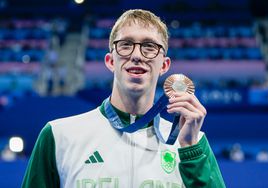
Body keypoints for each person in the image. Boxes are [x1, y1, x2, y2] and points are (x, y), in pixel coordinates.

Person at [22, 9, 225, 188]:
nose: (137, 55)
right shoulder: (59, 136)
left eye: (149, 46)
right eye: (126, 45)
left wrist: (190, 149)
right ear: (110, 61)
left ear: (164, 65)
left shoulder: (194, 142)